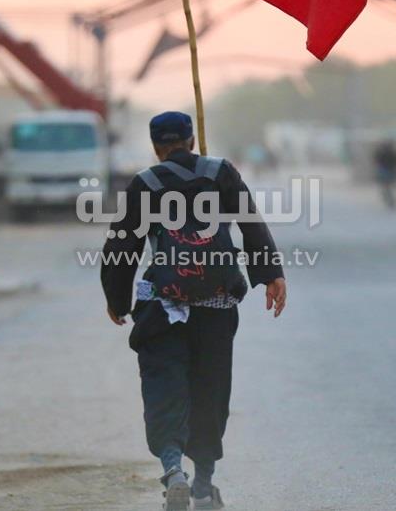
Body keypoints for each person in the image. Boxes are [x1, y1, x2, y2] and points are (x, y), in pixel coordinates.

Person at [101, 111, 286, 510]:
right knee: (210, 389)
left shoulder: (145, 183)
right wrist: (271, 274)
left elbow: (121, 248)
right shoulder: (221, 172)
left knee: (163, 383)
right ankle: (203, 485)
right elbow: (250, 223)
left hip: (162, 307)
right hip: (216, 306)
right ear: (191, 140)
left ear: (157, 147)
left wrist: (116, 299)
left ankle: (173, 471)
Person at [373, 140, 396, 209]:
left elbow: (377, 162)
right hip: (390, 170)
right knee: (390, 185)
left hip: (385, 170)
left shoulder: (381, 153)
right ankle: (389, 197)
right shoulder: (393, 153)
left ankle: (387, 196)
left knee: (386, 185)